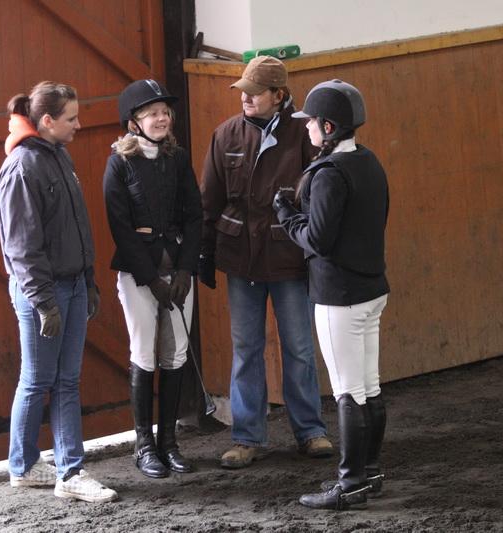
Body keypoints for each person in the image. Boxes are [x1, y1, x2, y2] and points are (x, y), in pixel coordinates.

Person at [199, 55, 332, 468]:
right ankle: (247, 438)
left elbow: (317, 200)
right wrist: (205, 253)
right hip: (242, 260)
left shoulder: (304, 136)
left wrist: (315, 252)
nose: (246, 98)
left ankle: (310, 432)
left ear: (279, 95)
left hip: (290, 258)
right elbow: (210, 200)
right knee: (246, 349)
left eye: (255, 93)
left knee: (299, 348)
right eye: (243, 91)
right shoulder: (225, 135)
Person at [0, 81, 118, 503]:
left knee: (64, 380)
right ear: (47, 120)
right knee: (39, 380)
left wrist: (88, 279)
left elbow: (76, 225)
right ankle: (66, 472)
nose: (78, 125)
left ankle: (29, 465)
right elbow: (21, 247)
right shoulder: (22, 167)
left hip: (73, 284)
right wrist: (44, 302)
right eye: (71, 118)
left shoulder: (58, 155)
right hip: (44, 292)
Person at [273, 79, 389, 510]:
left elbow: (318, 240)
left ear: (328, 126)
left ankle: (350, 482)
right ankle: (370, 471)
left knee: (348, 391)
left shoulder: (328, 174)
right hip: (372, 287)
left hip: (339, 294)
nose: (306, 127)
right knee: (370, 387)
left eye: (311, 122)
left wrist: (287, 215)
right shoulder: (368, 161)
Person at [102, 79, 202, 478]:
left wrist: (185, 269)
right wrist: (151, 279)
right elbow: (120, 227)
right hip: (138, 274)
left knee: (176, 354)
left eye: (165, 113)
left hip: (177, 271)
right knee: (144, 354)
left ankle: (169, 443)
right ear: (134, 122)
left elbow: (194, 216)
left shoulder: (177, 158)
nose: (161, 119)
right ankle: (144, 445)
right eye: (152, 114)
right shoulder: (119, 164)